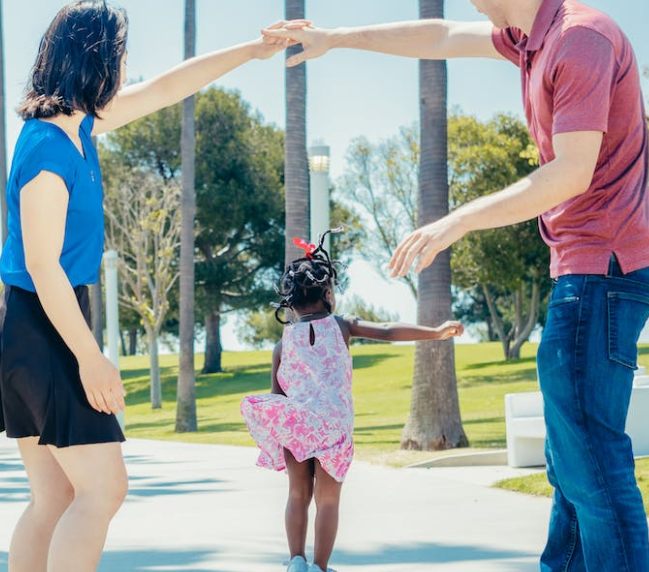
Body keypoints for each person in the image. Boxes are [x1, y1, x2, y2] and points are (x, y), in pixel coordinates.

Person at [264, 1, 649, 571]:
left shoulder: (581, 38)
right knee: (571, 461)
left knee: (589, 459)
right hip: (584, 271)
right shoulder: (528, 39)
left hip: (603, 271)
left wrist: (456, 221)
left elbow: (571, 171)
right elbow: (439, 34)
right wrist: (338, 38)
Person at [0, 3, 301, 571]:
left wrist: (250, 50)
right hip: (45, 324)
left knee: (57, 497)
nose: (124, 69)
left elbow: (167, 88)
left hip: (38, 322)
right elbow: (43, 265)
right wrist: (90, 357)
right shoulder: (46, 148)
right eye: (118, 58)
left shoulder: (80, 129)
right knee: (103, 489)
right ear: (95, 61)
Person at [240, 229, 463, 572]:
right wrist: (435, 332)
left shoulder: (282, 345)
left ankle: (295, 562)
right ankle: (320, 567)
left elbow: (277, 398)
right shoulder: (342, 325)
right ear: (328, 294)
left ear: (290, 302)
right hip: (333, 428)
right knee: (328, 501)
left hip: (296, 425)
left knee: (298, 495)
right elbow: (388, 330)